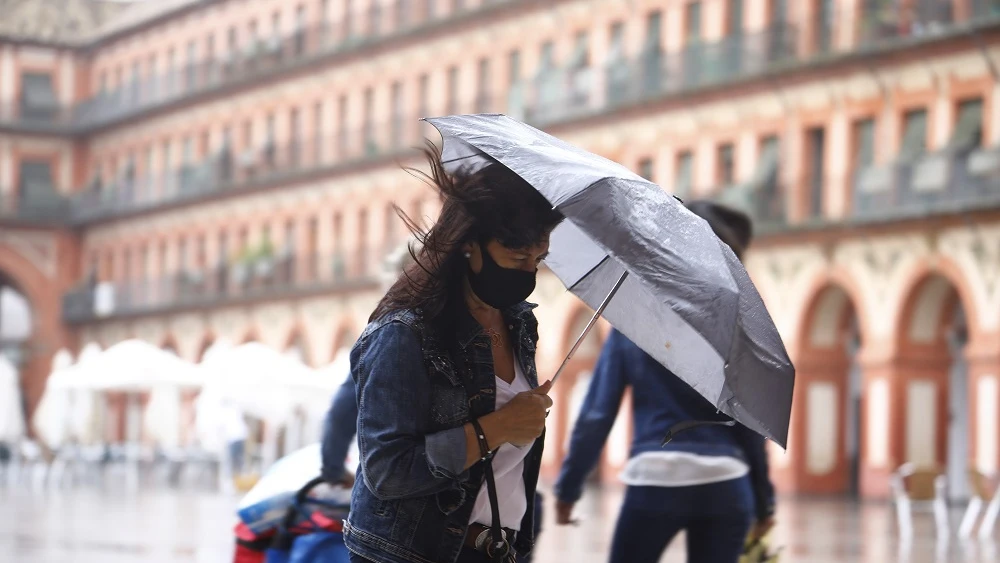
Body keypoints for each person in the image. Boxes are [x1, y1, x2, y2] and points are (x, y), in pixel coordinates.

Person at [343, 145, 563, 563]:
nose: (529, 273)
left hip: (495, 550)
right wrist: (497, 427)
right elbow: (387, 471)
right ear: (469, 246)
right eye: (516, 257)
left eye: (539, 259)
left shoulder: (519, 322)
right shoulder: (404, 335)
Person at [553, 200, 776, 563]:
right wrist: (764, 502)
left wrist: (569, 487)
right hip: (726, 484)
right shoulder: (736, 331)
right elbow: (751, 427)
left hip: (656, 481)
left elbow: (598, 412)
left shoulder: (635, 324)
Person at [321, 376, 545, 563]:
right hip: (427, 534)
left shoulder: (517, 332)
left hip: (504, 533)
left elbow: (340, 415)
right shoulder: (401, 331)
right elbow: (384, 466)